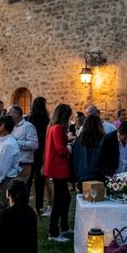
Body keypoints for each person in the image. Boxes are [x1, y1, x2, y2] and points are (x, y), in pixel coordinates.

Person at [43, 104, 73, 242]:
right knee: (59, 200)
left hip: (55, 167)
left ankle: (64, 226)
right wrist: (69, 148)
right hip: (58, 168)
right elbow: (60, 149)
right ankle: (53, 232)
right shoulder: (58, 128)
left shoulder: (52, 127)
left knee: (66, 197)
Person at [27, 97, 50, 216]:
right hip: (42, 151)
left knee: (29, 179)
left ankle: (25, 204)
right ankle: (39, 206)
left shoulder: (30, 119)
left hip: (32, 151)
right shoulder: (46, 119)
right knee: (40, 180)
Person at [8, 105, 39, 185]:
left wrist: (16, 143)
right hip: (12, 164)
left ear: (17, 114)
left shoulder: (28, 126)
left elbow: (34, 145)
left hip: (23, 165)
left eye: (9, 113)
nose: (8, 115)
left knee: (19, 190)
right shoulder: (12, 126)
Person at [71, 114, 105, 185]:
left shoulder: (78, 140)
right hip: (97, 176)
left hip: (82, 174)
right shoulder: (102, 138)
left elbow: (74, 158)